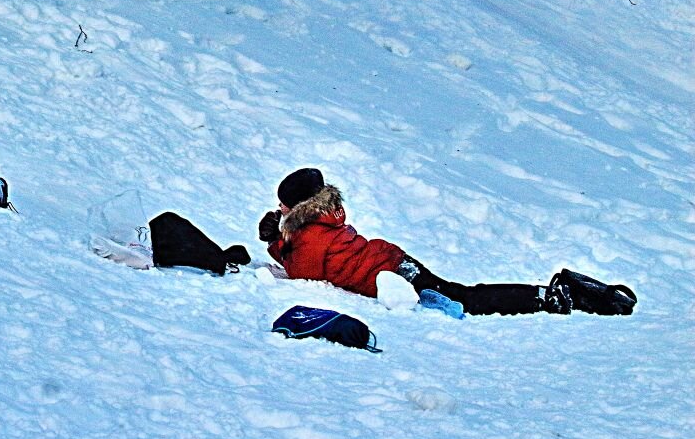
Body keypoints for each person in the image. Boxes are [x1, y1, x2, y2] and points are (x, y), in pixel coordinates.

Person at [257, 168, 636, 316]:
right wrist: (283, 238)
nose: (278, 209)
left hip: (393, 274)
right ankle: (552, 293)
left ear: (298, 209)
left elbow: (302, 273)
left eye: (283, 206)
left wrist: (276, 241)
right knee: (460, 293)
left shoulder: (306, 238)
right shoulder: (326, 220)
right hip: (393, 261)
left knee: (466, 302)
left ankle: (552, 296)